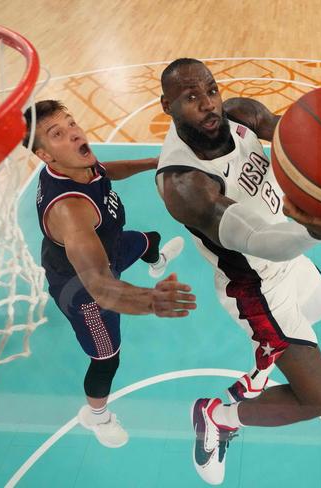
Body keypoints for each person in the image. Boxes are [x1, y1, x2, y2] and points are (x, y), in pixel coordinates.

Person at [155, 58, 321, 485]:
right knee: (317, 398)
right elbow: (254, 240)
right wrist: (318, 231)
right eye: (191, 98)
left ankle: (268, 354)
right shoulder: (183, 183)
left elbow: (303, 135)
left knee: (320, 306)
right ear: (167, 106)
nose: (209, 104)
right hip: (255, 288)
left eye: (211, 90)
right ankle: (219, 417)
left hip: (289, 257)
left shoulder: (241, 115)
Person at [25, 100, 195, 448]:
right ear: (44, 155)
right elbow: (102, 287)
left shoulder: (76, 164)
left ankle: (156, 260)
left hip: (108, 244)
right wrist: (153, 301)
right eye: (58, 134)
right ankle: (97, 416)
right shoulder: (70, 211)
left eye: (71, 123)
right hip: (84, 289)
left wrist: (154, 163)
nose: (73, 133)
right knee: (106, 358)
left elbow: (106, 170)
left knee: (150, 240)